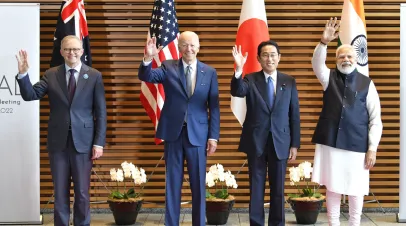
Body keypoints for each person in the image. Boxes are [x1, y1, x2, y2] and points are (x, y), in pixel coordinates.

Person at [15, 35, 107, 226]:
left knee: (82, 193)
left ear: (82, 51)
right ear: (61, 52)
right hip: (58, 144)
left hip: (84, 143)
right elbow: (30, 95)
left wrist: (98, 142)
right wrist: (23, 75)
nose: (71, 53)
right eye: (67, 49)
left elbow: (101, 112)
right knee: (60, 192)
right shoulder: (51, 74)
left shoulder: (94, 75)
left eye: (75, 49)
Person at [138, 31, 220, 226]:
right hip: (173, 133)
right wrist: (148, 58)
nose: (188, 49)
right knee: (172, 184)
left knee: (198, 184)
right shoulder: (168, 67)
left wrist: (213, 136)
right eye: (184, 45)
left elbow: (214, 107)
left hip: (198, 135)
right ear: (179, 47)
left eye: (192, 45)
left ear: (198, 47)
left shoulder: (209, 72)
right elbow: (146, 75)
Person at [311, 17, 383, 226]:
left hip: (357, 145)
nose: (346, 59)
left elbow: (375, 119)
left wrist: (372, 148)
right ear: (336, 60)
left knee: (356, 189)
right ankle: (334, 223)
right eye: (341, 56)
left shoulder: (367, 84)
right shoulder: (328, 77)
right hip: (331, 143)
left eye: (350, 55)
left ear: (356, 58)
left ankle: (354, 223)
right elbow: (317, 63)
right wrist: (323, 42)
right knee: (332, 188)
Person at [231, 40, 301, 226]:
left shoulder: (289, 81)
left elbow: (294, 115)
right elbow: (237, 91)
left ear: (279, 58)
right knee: (256, 187)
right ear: (258, 59)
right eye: (265, 55)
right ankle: (256, 223)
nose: (269, 58)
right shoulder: (250, 79)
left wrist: (295, 144)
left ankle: (277, 223)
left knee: (278, 189)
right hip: (256, 142)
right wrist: (239, 70)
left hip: (281, 141)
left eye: (273, 55)